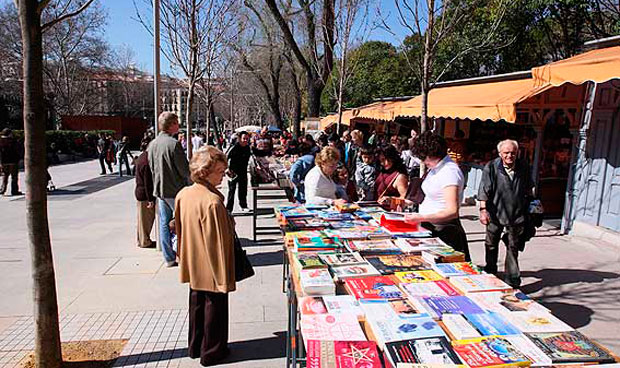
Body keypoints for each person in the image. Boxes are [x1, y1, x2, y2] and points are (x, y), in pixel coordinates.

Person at [175, 146, 236, 366]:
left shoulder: (184, 194)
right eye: (219, 171)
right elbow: (219, 242)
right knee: (215, 305)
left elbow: (180, 230)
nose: (222, 176)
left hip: (193, 259)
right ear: (204, 171)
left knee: (198, 302)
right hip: (211, 263)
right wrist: (224, 277)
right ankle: (212, 351)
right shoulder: (212, 201)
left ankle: (196, 345)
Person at [478, 139, 534, 288]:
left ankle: (512, 280)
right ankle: (490, 271)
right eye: (506, 153)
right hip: (495, 212)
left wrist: (533, 206)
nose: (510, 156)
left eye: (513, 153)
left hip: (517, 214)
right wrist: (483, 210)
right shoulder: (491, 167)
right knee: (491, 244)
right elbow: (484, 190)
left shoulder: (524, 167)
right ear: (500, 153)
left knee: (513, 246)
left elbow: (529, 188)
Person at [405, 132, 470, 260]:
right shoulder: (435, 168)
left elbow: (452, 211)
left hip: (444, 231)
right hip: (432, 227)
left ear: (431, 154)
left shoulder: (449, 172)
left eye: (423, 157)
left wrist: (421, 217)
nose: (422, 161)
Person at [148, 112, 191, 267]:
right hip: (176, 190)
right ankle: (185, 255)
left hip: (160, 190)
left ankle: (169, 257)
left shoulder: (152, 144)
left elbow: (152, 168)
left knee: (165, 223)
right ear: (171, 124)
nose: (178, 125)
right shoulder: (174, 144)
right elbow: (184, 171)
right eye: (177, 122)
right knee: (184, 223)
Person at [225, 131, 251, 212]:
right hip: (233, 172)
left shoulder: (247, 148)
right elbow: (225, 157)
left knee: (243, 190)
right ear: (239, 139)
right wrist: (227, 169)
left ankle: (244, 206)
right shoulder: (234, 147)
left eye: (247, 139)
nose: (245, 140)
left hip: (243, 172)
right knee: (231, 191)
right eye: (244, 139)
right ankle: (229, 209)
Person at [0, 128, 22, 196]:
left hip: (4, 161)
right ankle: (14, 191)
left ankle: (2, 190)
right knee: (14, 177)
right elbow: (18, 150)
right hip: (13, 161)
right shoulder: (13, 141)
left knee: (5, 176)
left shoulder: (1, 141)